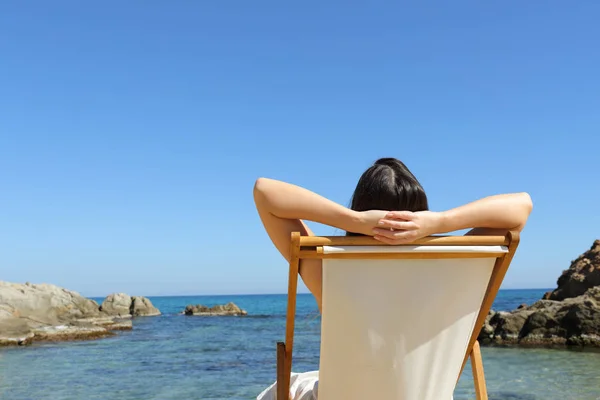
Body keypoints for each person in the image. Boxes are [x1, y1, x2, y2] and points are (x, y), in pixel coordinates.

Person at [253, 157, 532, 312]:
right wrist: (440, 222)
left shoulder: (330, 275)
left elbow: (264, 192)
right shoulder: (454, 271)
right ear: (421, 212)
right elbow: (521, 207)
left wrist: (356, 221)